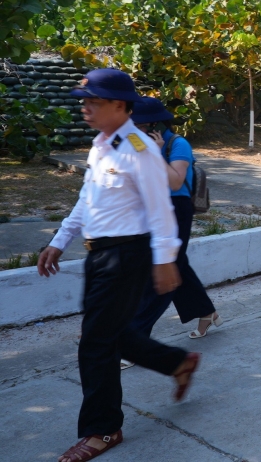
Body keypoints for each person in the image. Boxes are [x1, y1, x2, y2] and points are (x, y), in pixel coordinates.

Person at [35, 69, 200, 462]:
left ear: (120, 106)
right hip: (101, 254)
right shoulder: (101, 144)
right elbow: (87, 200)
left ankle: (104, 429)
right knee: (110, 332)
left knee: (94, 342)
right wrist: (60, 240)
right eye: (84, 100)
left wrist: (165, 260)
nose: (85, 107)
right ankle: (177, 362)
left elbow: (161, 209)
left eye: (94, 101)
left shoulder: (138, 149)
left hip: (128, 255)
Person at [128, 98, 219, 352]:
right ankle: (207, 312)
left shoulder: (178, 144)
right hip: (150, 209)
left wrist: (155, 153)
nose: (134, 129)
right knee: (178, 266)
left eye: (139, 125)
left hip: (176, 210)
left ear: (155, 124)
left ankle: (136, 340)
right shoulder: (137, 142)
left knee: (161, 271)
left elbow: (176, 182)